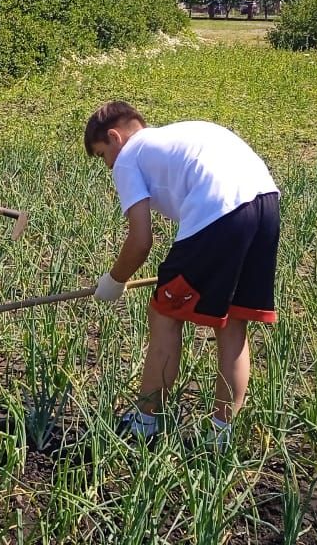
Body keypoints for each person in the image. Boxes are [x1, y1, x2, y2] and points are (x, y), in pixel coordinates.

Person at [84, 101, 279, 446]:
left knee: (164, 314)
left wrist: (114, 281)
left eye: (102, 155)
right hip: (265, 204)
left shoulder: (129, 157)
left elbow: (141, 239)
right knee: (233, 321)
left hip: (219, 212)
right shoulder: (180, 135)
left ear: (115, 137)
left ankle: (144, 422)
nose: (108, 164)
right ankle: (221, 435)